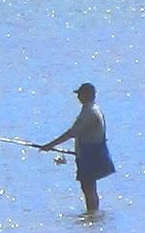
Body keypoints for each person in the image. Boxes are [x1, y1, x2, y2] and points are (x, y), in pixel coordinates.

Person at [35, 82, 115, 218]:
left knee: (88, 186)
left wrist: (50, 145)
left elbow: (72, 132)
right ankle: (93, 214)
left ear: (88, 95)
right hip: (88, 152)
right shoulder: (91, 109)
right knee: (88, 186)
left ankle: (92, 214)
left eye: (80, 94)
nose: (78, 97)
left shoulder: (90, 112)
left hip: (92, 154)